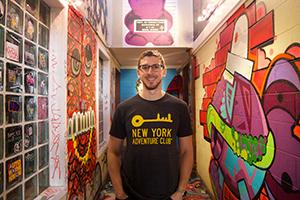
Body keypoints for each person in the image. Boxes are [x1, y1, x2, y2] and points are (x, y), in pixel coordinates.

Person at [108, 50, 193, 200]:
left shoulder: (179, 107)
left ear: (164, 71)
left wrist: (180, 190)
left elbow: (186, 151)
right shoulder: (124, 109)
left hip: (169, 192)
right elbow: (113, 152)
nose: (150, 72)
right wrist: (119, 192)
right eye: (145, 67)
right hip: (130, 192)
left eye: (156, 67)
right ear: (138, 72)